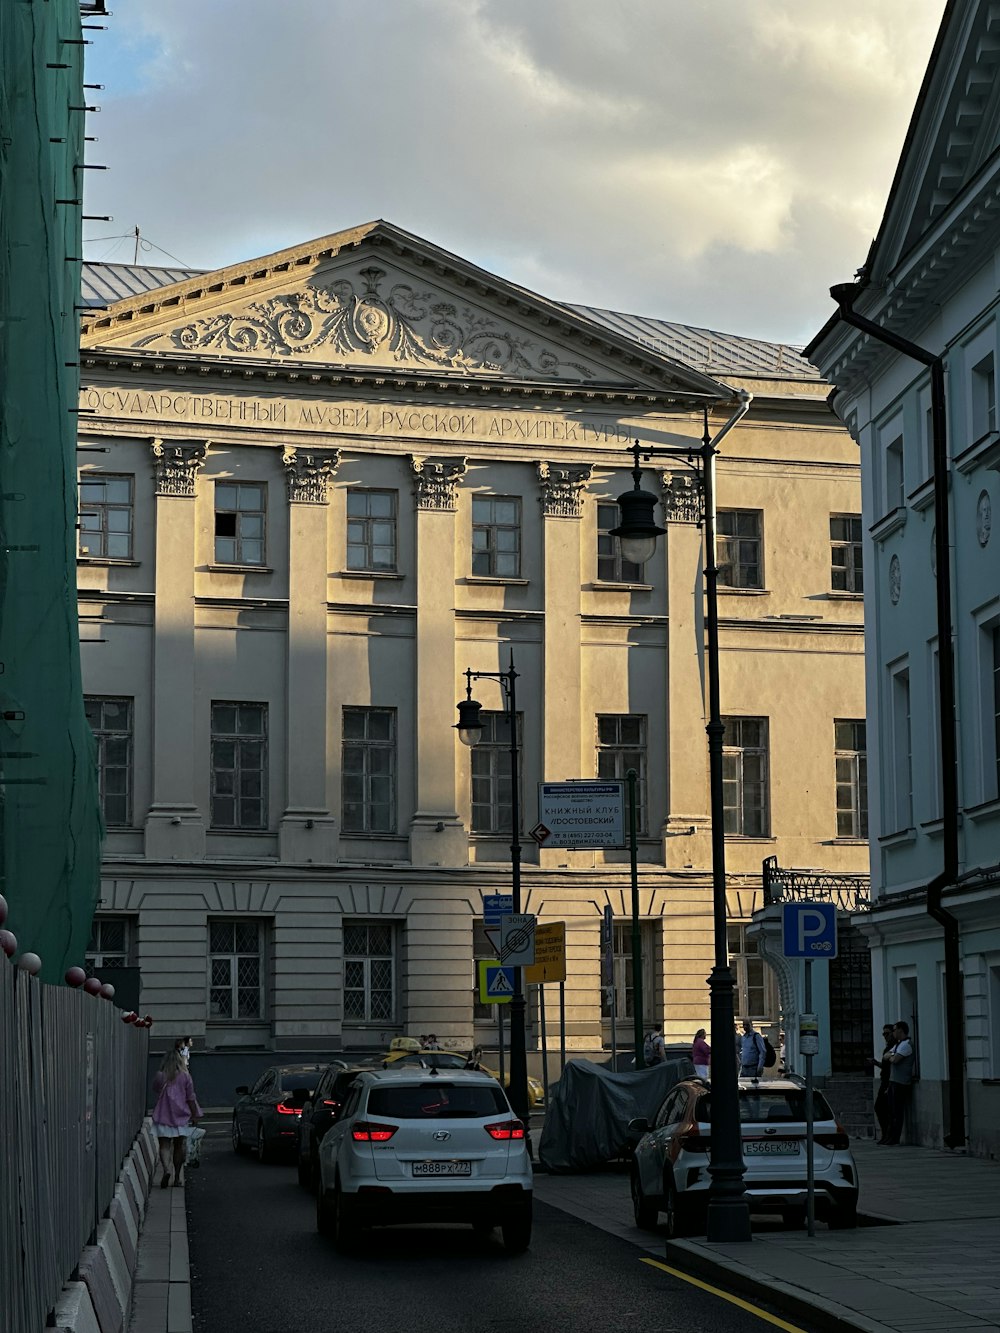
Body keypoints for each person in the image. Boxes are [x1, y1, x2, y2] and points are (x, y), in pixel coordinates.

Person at [151, 1047, 202, 1187]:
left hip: (163, 1114)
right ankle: (178, 1177)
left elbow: (155, 1089)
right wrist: (194, 1114)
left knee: (164, 1145)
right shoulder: (186, 1076)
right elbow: (191, 1097)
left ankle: (167, 1170)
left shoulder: (161, 1075)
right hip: (181, 1116)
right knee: (179, 1146)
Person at [883, 1020, 915, 1145]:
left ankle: (895, 1138)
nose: (893, 1033)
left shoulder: (906, 1045)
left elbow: (894, 1059)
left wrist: (891, 1056)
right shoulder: (898, 1045)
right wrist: (891, 1055)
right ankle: (889, 1136)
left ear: (900, 1030)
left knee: (897, 1112)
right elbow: (887, 1055)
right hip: (893, 1081)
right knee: (891, 1111)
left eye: (894, 1030)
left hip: (901, 1083)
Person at [868, 1024, 896, 1143]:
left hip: (888, 1082)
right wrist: (876, 1063)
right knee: (880, 1108)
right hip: (884, 1081)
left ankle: (888, 1135)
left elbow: (892, 1067)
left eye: (887, 1033)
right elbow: (885, 1067)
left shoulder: (894, 1048)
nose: (885, 1036)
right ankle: (885, 1134)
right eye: (883, 1034)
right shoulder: (888, 1048)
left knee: (883, 1108)